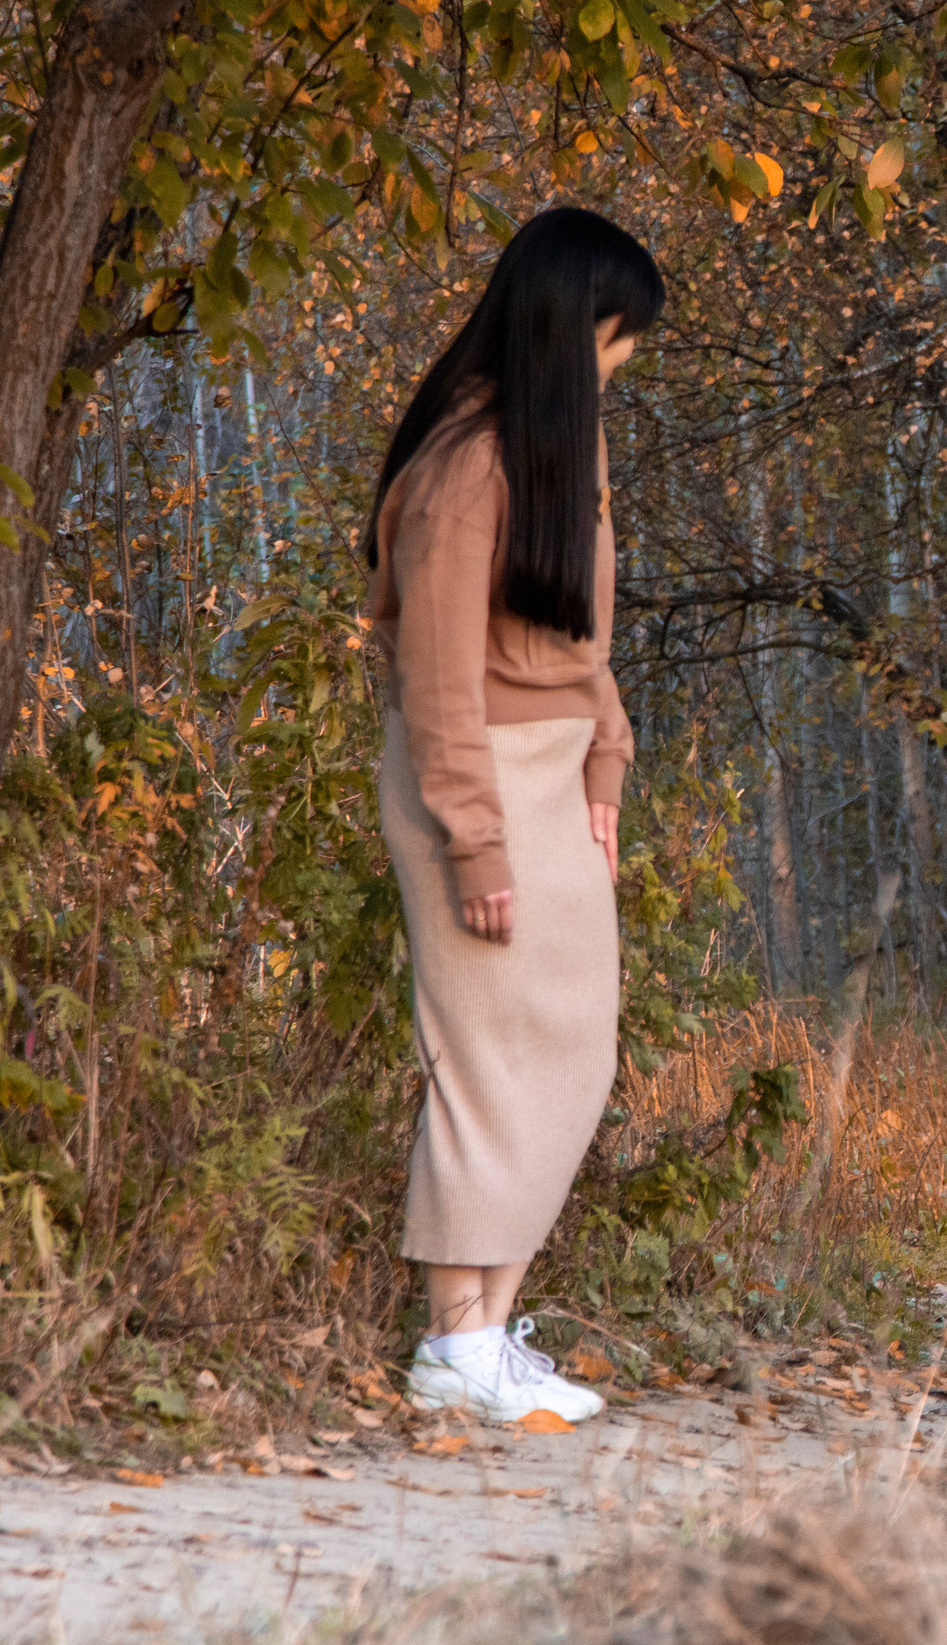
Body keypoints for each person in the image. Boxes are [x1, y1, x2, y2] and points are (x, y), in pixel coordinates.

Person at [364, 207, 664, 1423]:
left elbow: (581, 636)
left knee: (574, 1047)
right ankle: (453, 1341)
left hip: (549, 776)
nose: (624, 360)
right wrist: (476, 839)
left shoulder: (561, 454)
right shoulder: (458, 473)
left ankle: (487, 1330)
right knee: (483, 1058)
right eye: (616, 337)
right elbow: (435, 685)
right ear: (564, 329)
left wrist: (606, 759)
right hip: (469, 782)